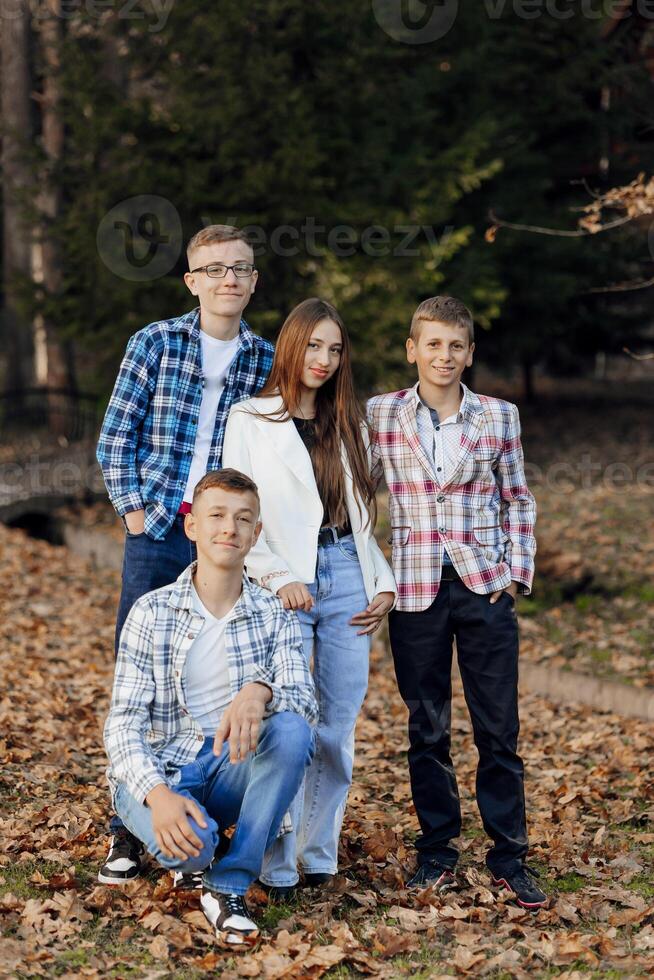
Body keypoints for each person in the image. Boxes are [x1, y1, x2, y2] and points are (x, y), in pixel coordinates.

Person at [96, 224, 274, 885]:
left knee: (212, 670)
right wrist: (135, 512)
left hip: (223, 534)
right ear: (193, 282)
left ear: (254, 281)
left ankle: (193, 809)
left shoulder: (261, 359)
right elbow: (117, 433)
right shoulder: (156, 343)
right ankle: (126, 828)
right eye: (216, 269)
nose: (229, 279)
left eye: (242, 269)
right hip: (161, 527)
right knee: (140, 672)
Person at [367, 296, 546, 910]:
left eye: (456, 346)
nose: (444, 356)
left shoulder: (498, 417)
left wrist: (515, 575)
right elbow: (358, 496)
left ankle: (509, 856)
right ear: (412, 349)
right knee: (428, 727)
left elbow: (517, 499)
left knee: (499, 728)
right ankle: (437, 849)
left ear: (470, 353)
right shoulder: (381, 415)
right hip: (414, 591)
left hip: (483, 587)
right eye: (433, 344)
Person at [222, 297, 396, 896]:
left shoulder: (349, 420)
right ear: (291, 346)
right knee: (288, 721)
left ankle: (318, 852)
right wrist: (275, 576)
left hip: (347, 570)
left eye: (335, 349)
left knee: (338, 725)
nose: (323, 359)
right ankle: (275, 858)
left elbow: (364, 519)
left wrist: (384, 582)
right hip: (284, 584)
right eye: (314, 345)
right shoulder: (249, 419)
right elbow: (241, 513)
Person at [103, 468, 317, 944]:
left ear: (256, 533)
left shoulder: (273, 614)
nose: (230, 529)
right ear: (192, 526)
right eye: (216, 515)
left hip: (228, 766)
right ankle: (150, 832)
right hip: (164, 772)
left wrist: (259, 691)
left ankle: (230, 881)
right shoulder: (151, 611)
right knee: (192, 853)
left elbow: (304, 702)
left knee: (292, 731)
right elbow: (121, 727)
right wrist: (157, 796)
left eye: (244, 519)